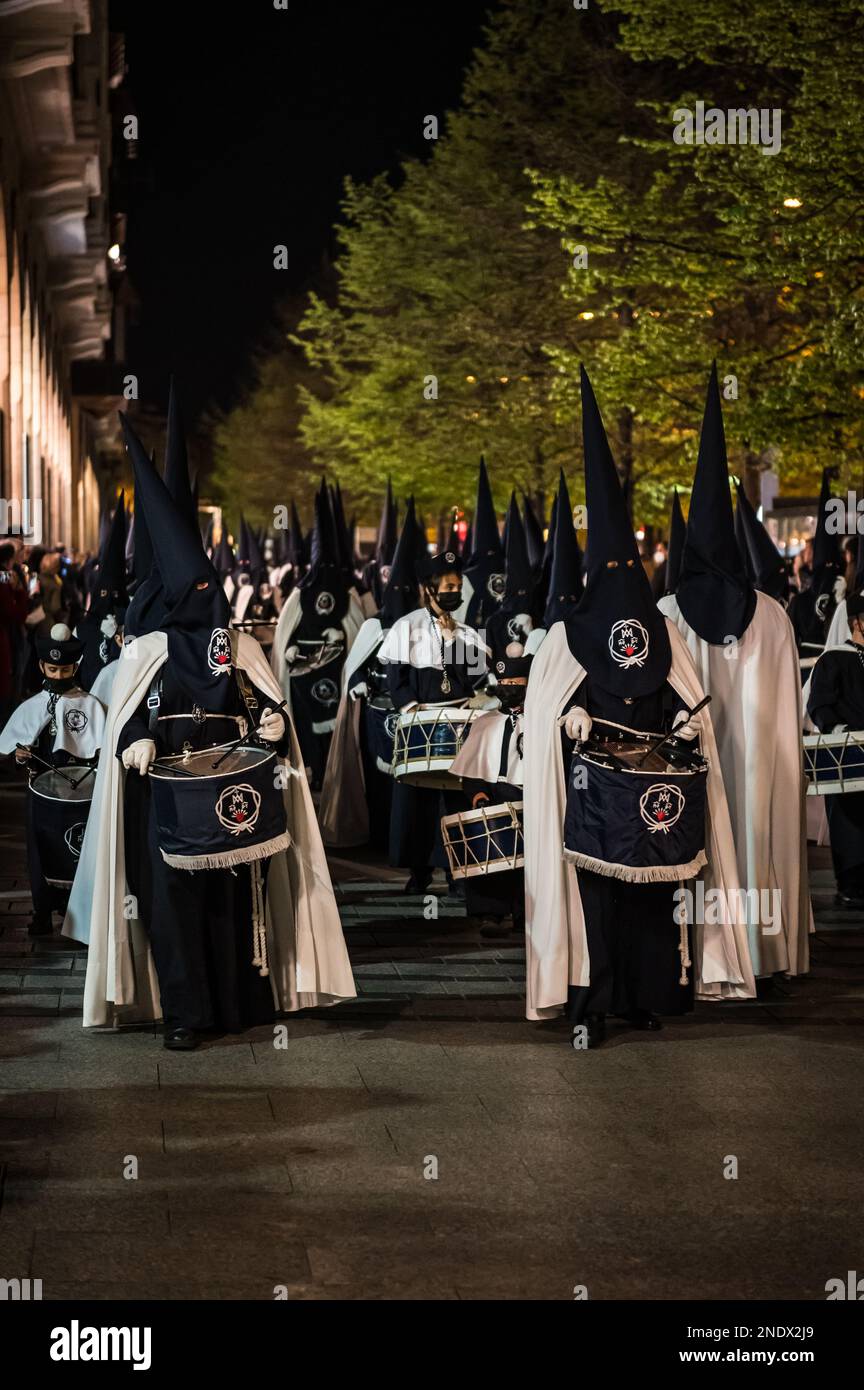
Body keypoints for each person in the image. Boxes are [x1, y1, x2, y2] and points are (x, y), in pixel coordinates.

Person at [62, 416, 355, 1047]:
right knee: (171, 911)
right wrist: (134, 736)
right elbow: (129, 712)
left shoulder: (238, 648)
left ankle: (236, 1003)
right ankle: (187, 1015)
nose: (205, 595)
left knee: (233, 904)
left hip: (230, 800)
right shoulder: (146, 653)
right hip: (165, 800)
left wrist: (273, 721)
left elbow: (258, 705)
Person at [523, 367, 755, 1044]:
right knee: (597, 900)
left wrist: (688, 722)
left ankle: (645, 996)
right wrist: (568, 718)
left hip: (653, 779)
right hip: (593, 787)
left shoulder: (662, 630)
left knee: (652, 894)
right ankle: (591, 1002)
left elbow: (686, 695)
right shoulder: (567, 636)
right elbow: (547, 712)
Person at [659, 365, 811, 982]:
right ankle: (765, 953)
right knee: (758, 837)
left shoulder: (668, 612)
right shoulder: (773, 615)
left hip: (696, 767)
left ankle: (702, 958)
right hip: (762, 767)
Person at [378, 550, 490, 893]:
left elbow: (477, 680)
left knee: (456, 800)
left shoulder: (467, 633)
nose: (455, 592)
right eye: (449, 586)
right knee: (418, 803)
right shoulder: (406, 627)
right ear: (430, 589)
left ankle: (458, 871)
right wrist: (413, 711)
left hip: (458, 724)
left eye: (458, 586)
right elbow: (395, 679)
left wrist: (452, 640)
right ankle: (420, 871)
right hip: (421, 723)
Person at [319, 497, 420, 850]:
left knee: (412, 781)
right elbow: (355, 664)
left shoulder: (426, 625)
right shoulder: (375, 624)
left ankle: (406, 842)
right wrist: (357, 681)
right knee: (378, 779)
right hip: (377, 712)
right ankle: (378, 836)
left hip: (413, 713)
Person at [0, 623, 106, 935]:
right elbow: (16, 746)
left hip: (81, 794)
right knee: (39, 850)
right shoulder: (31, 706)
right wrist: (20, 755)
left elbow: (97, 745)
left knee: (78, 849)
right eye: (51, 669)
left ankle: (80, 912)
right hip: (41, 791)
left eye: (64, 670)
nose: (58, 676)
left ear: (74, 667)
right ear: (41, 666)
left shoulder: (91, 705)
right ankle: (43, 911)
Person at [271, 484, 365, 788]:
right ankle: (308, 778)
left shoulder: (349, 594)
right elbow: (285, 635)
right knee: (306, 730)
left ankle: (337, 778)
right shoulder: (299, 595)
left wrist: (344, 641)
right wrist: (288, 653)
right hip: (302, 677)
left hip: (337, 674)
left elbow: (360, 636)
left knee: (336, 728)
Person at [449, 653, 531, 938]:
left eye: (514, 682)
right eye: (503, 682)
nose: (507, 687)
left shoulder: (540, 721)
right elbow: (470, 769)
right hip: (493, 792)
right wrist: (478, 795)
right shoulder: (485, 722)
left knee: (528, 862)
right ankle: (491, 913)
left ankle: (525, 915)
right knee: (489, 854)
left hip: (527, 794)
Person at [807, 592, 864, 906]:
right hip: (846, 756)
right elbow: (820, 705)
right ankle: (851, 886)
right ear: (855, 622)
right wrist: (841, 730)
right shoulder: (834, 659)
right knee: (850, 825)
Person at [76, 492, 128, 691]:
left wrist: (119, 638)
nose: (110, 601)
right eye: (105, 595)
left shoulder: (131, 628)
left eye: (115, 596)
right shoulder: (82, 629)